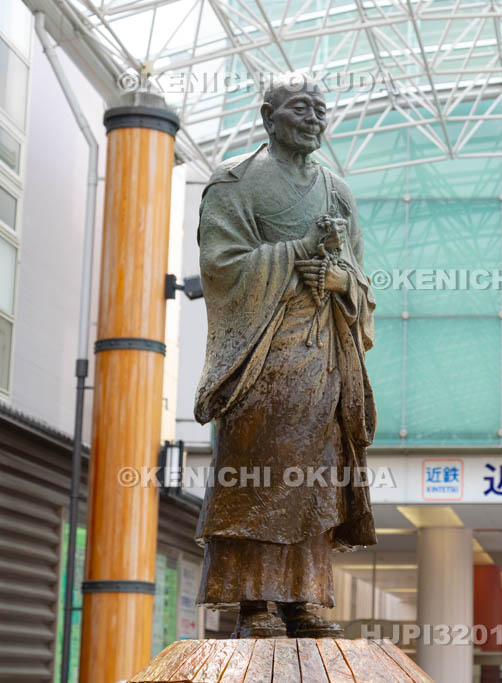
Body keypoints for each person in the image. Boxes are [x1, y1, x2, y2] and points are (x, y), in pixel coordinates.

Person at [193, 72, 377, 638]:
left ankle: (303, 597)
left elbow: (361, 279)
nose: (315, 118)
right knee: (257, 476)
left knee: (315, 479)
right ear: (269, 116)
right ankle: (253, 603)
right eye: (301, 108)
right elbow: (222, 266)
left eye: (322, 110)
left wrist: (339, 280)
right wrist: (298, 252)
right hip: (261, 355)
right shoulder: (234, 183)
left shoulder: (337, 191)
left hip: (321, 355)